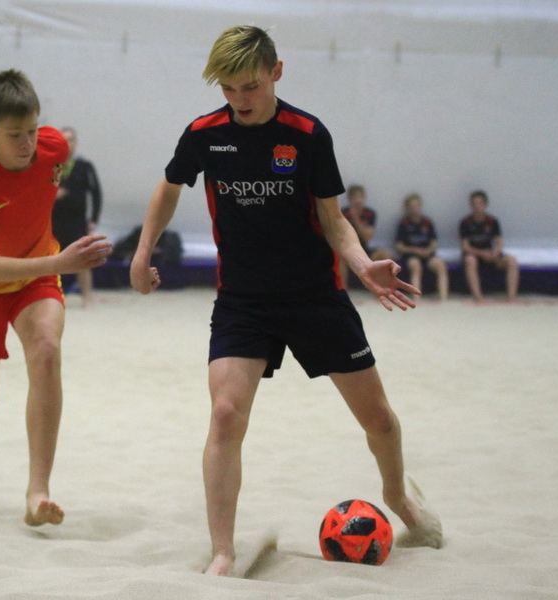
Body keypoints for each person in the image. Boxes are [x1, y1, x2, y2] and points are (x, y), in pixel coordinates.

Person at [129, 25, 442, 576]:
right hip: (243, 301)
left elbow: (332, 219)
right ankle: (223, 552)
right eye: (228, 88)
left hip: (314, 296)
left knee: (380, 421)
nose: (239, 99)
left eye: (250, 86)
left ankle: (397, 495)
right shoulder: (204, 134)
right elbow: (169, 187)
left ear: (276, 72)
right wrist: (142, 250)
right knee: (225, 414)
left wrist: (363, 266)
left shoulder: (308, 135)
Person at [0, 69, 112, 526]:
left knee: (46, 353)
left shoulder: (53, 147)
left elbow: (47, 169)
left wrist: (52, 262)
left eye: (33, 130)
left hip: (36, 278)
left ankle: (37, 491)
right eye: (14, 135)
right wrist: (61, 262)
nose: (27, 143)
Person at [52, 126, 103, 307]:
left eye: (71, 140)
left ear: (76, 142)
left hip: (77, 220)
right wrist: (54, 194)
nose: (68, 144)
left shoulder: (84, 166)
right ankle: (53, 296)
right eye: (64, 140)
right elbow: (47, 189)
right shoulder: (56, 166)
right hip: (56, 220)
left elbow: (96, 193)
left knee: (83, 259)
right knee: (52, 258)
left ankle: (86, 297)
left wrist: (94, 219)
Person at [459, 190, 519, 302]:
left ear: (485, 205)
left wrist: (495, 252)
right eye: (474, 204)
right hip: (475, 255)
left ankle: (511, 297)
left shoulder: (493, 221)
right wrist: (482, 253)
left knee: (512, 260)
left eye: (480, 203)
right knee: (470, 260)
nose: (477, 206)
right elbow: (465, 247)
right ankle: (478, 297)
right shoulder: (465, 223)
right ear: (470, 205)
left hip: (491, 255)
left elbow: (499, 243)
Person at [395, 193, 448, 301]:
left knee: (440, 265)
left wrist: (428, 250)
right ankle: (417, 298)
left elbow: (434, 242)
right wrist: (414, 250)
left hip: (427, 254)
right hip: (411, 256)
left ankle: (443, 298)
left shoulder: (427, 222)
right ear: (407, 208)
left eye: (416, 206)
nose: (414, 209)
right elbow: (399, 246)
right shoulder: (404, 223)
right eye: (411, 206)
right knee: (416, 265)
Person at [339, 184, 392, 289]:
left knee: (385, 255)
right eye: (355, 197)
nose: (358, 200)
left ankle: (382, 289)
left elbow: (367, 237)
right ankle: (343, 290)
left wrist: (356, 219)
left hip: (364, 248)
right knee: (339, 257)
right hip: (348, 249)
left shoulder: (370, 213)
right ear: (349, 199)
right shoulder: (343, 213)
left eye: (360, 197)